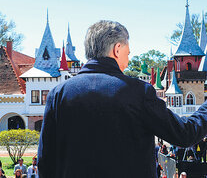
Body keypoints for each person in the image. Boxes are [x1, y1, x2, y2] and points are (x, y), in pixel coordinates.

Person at [37, 20, 207, 177]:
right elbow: (185, 134)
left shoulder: (58, 95)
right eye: (127, 53)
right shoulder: (138, 92)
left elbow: (45, 163)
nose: (127, 60)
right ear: (117, 49)